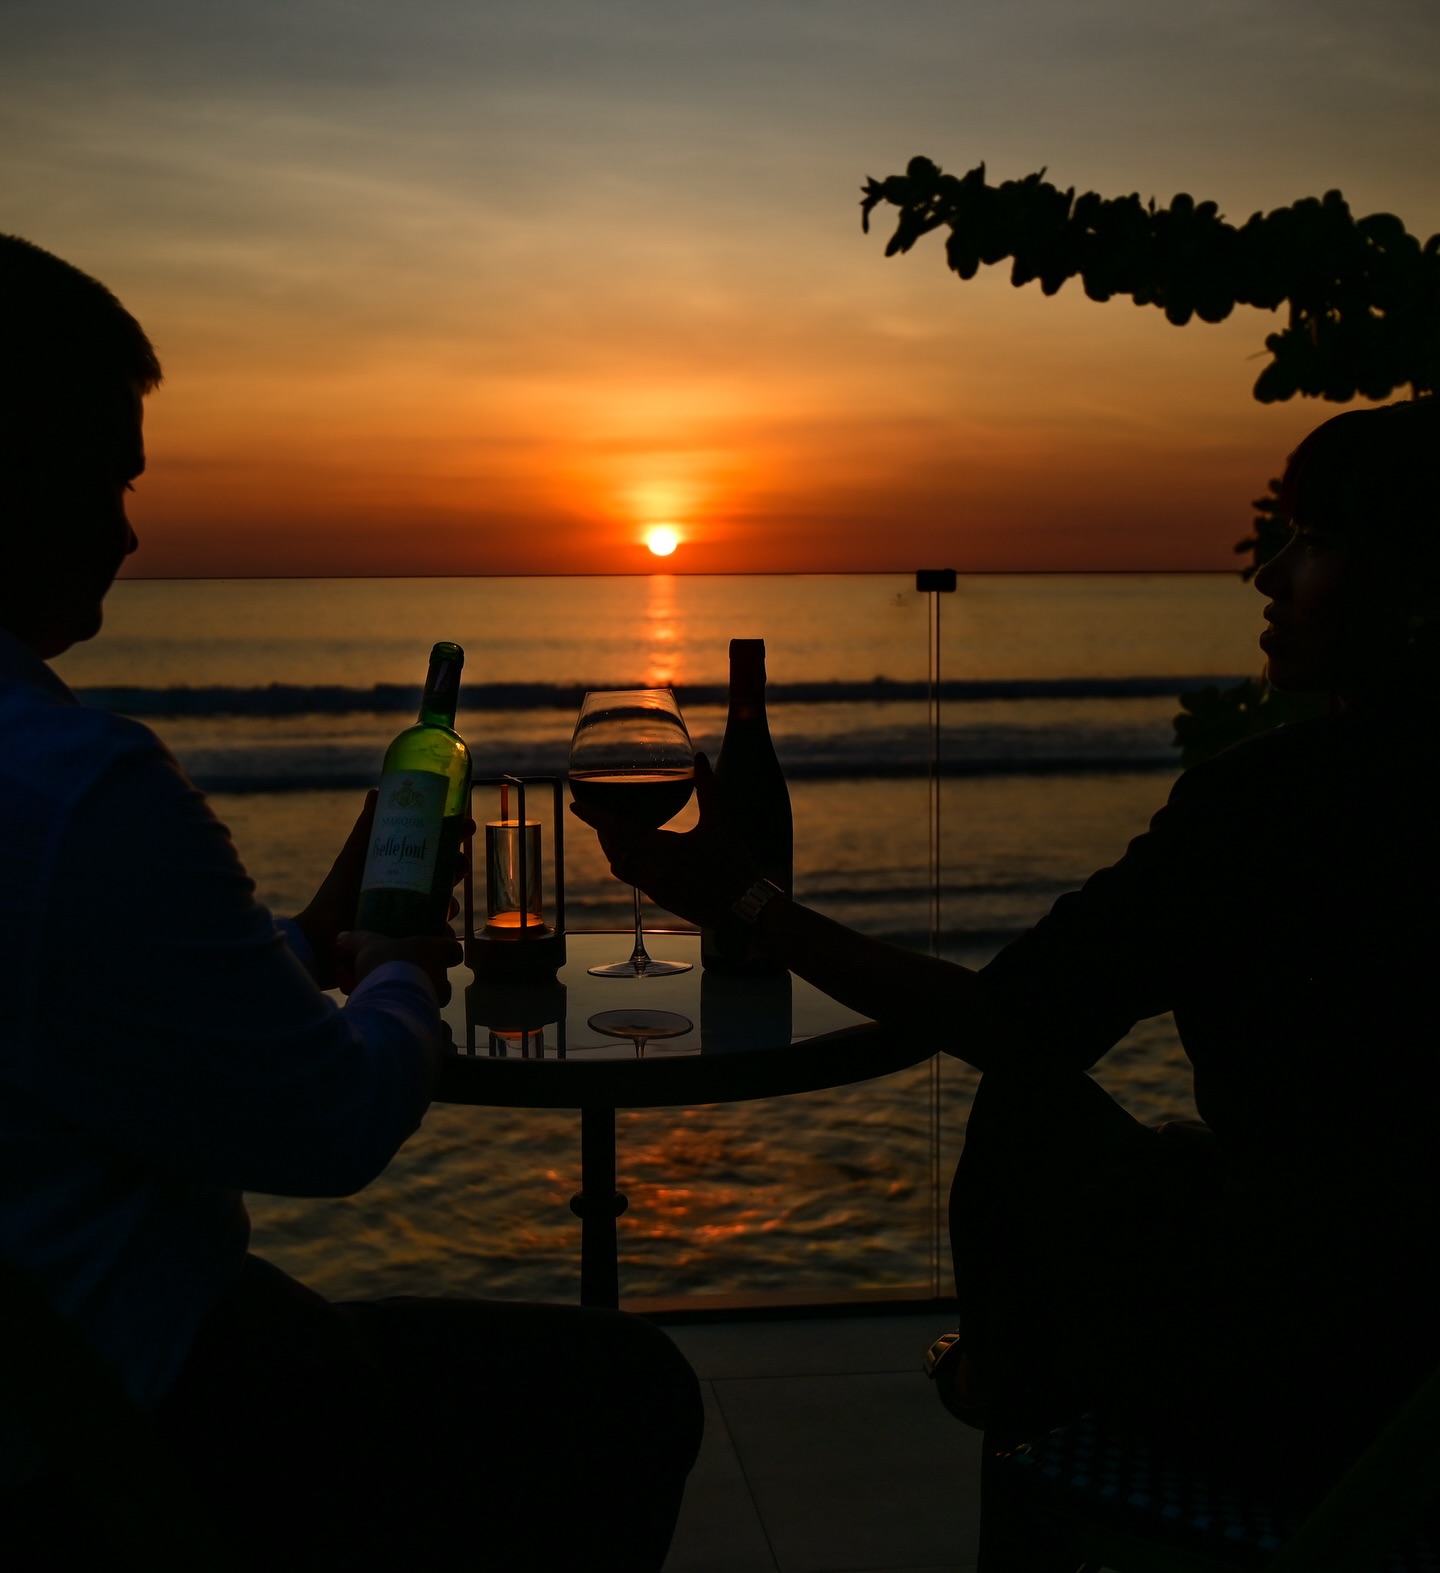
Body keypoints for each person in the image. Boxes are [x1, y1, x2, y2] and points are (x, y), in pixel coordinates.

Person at [575, 396, 1440, 1496]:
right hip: (1413, 1366)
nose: (1266, 576)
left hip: (1301, 1379)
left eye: (1312, 543)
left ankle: (1005, 1382)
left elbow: (1015, 1023)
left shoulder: (1272, 809)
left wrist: (746, 906)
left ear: (1421, 584)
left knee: (1033, 1104)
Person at [0, 234, 702, 1570]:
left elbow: (65, 1012)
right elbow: (329, 1127)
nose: (128, 528)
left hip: (53, 1389)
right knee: (623, 1391)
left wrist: (305, 948)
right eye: (104, 472)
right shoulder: (77, 789)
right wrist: (396, 967)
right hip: (124, 1432)